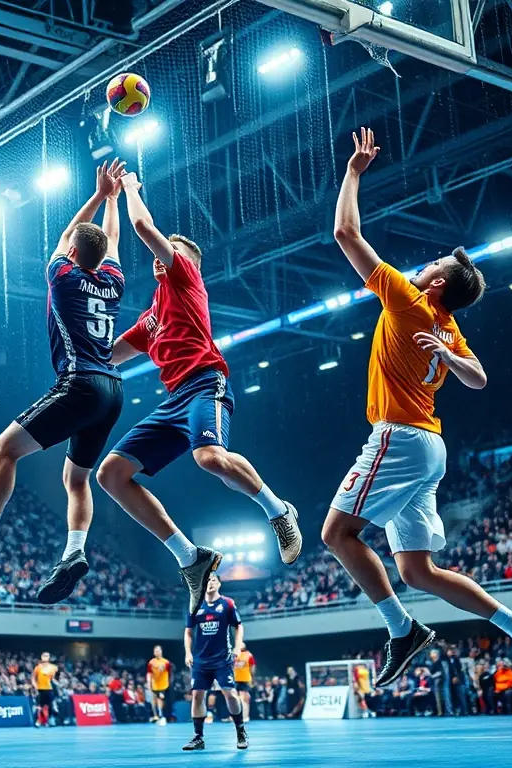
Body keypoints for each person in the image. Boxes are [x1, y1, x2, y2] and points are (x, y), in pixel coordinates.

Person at [321, 127, 512, 690]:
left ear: (436, 282)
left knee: (336, 535)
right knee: (416, 569)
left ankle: (400, 629)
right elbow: (479, 380)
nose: (424, 262)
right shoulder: (449, 329)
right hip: (429, 447)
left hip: (399, 439)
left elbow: (344, 232)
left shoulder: (408, 299)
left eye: (432, 263)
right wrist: (450, 358)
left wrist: (354, 171)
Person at [96, 170, 302, 614]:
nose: (159, 255)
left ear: (185, 261)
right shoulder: (152, 316)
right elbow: (111, 356)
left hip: (206, 381)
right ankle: (191, 558)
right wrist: (80, 356)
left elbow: (143, 228)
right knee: (110, 475)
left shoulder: (186, 281)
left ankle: (278, 510)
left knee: (208, 458)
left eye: (171, 250)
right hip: (172, 401)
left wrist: (130, 189)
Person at [0, 160, 128, 604]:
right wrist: (113, 200)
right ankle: (74, 552)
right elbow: (110, 240)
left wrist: (98, 196)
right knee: (77, 479)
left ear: (73, 254)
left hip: (80, 383)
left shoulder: (63, 276)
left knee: (3, 450)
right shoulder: (113, 283)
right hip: (113, 390)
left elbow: (70, 236)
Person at [182, 573, 248, 751]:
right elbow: (188, 632)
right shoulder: (195, 604)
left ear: (219, 584)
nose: (209, 583)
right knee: (197, 696)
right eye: (207, 580)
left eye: (213, 580)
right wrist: (188, 653)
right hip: (200, 660)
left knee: (231, 694)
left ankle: (240, 730)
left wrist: (237, 647)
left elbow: (238, 626)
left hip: (222, 659)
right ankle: (198, 737)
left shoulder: (227, 604)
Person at [147, 645, 172, 725]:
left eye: (159, 650)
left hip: (164, 685)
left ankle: (161, 715)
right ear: (154, 653)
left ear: (161, 651)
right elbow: (149, 674)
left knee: (160, 698)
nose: (158, 652)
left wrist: (162, 669)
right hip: (155, 684)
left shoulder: (166, 662)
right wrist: (148, 683)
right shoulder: (151, 662)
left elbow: (169, 673)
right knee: (154, 700)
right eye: (156, 651)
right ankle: (156, 716)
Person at [33, 652, 59, 727]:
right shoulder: (38, 669)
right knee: (40, 706)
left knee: (49, 703)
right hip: (41, 690)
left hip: (48, 690)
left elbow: (55, 679)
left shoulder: (52, 671)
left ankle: (51, 718)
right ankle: (39, 721)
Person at [232, 643, 256, 722]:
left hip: (245, 679)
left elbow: (252, 668)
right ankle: (235, 716)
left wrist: (252, 679)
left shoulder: (249, 655)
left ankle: (245, 717)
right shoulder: (234, 654)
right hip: (234, 679)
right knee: (234, 698)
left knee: (245, 699)